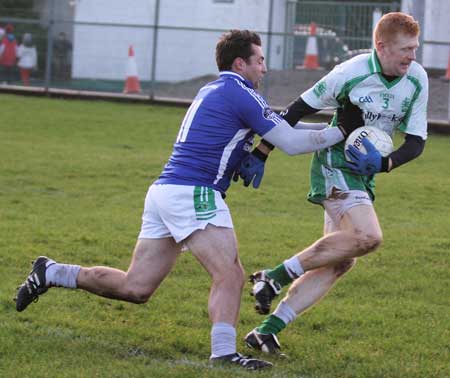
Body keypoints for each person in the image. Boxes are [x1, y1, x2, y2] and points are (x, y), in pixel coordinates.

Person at [14, 29, 358, 370]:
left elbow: (232, 137)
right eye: (260, 60)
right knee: (231, 275)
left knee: (136, 287)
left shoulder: (213, 87)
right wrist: (340, 131)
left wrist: (251, 153)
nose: (264, 68)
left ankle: (53, 272)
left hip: (166, 191)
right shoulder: (241, 92)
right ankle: (224, 354)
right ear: (240, 63)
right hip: (194, 192)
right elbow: (294, 143)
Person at [236, 12, 428, 355]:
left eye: (415, 48)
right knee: (368, 237)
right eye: (405, 49)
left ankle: (266, 331)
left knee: (342, 259)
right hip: (334, 162)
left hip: (365, 173)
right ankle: (275, 276)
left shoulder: (416, 79)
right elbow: (296, 110)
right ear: (381, 47)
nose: (412, 56)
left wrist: (385, 163)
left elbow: (416, 142)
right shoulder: (350, 73)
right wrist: (262, 152)